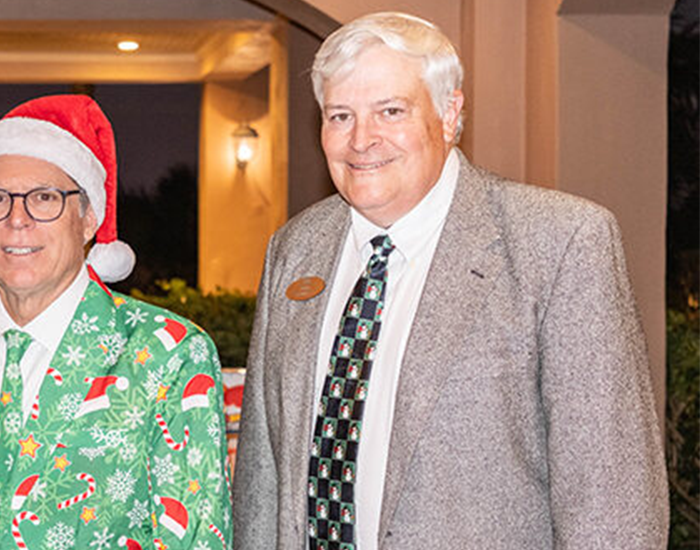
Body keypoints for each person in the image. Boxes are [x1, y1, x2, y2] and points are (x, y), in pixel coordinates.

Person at [232, 12, 668, 550]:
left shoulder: (561, 242)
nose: (361, 139)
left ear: (449, 113)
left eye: (390, 111)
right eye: (340, 115)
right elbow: (263, 477)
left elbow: (612, 502)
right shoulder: (295, 249)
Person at [0, 95, 232, 550]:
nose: (17, 220)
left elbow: (197, 539)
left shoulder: (168, 351)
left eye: (45, 199)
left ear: (89, 217)